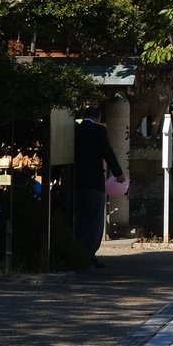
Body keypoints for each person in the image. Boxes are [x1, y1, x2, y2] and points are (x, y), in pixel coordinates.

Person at [73, 105, 123, 268]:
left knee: (80, 219)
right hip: (94, 181)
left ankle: (77, 253)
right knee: (95, 219)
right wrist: (118, 173)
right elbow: (106, 152)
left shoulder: (75, 130)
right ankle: (89, 254)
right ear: (99, 117)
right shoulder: (99, 131)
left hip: (76, 180)